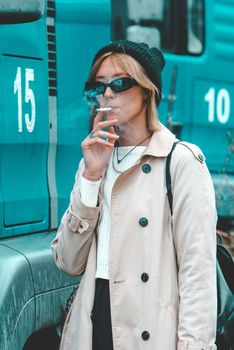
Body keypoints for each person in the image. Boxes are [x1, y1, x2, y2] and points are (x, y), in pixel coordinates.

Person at [51, 40, 217, 350]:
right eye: (98, 86)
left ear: (146, 90)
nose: (108, 94)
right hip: (91, 327)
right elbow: (68, 262)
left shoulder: (179, 161)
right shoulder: (94, 161)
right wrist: (90, 175)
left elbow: (198, 276)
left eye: (120, 83)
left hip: (149, 329)